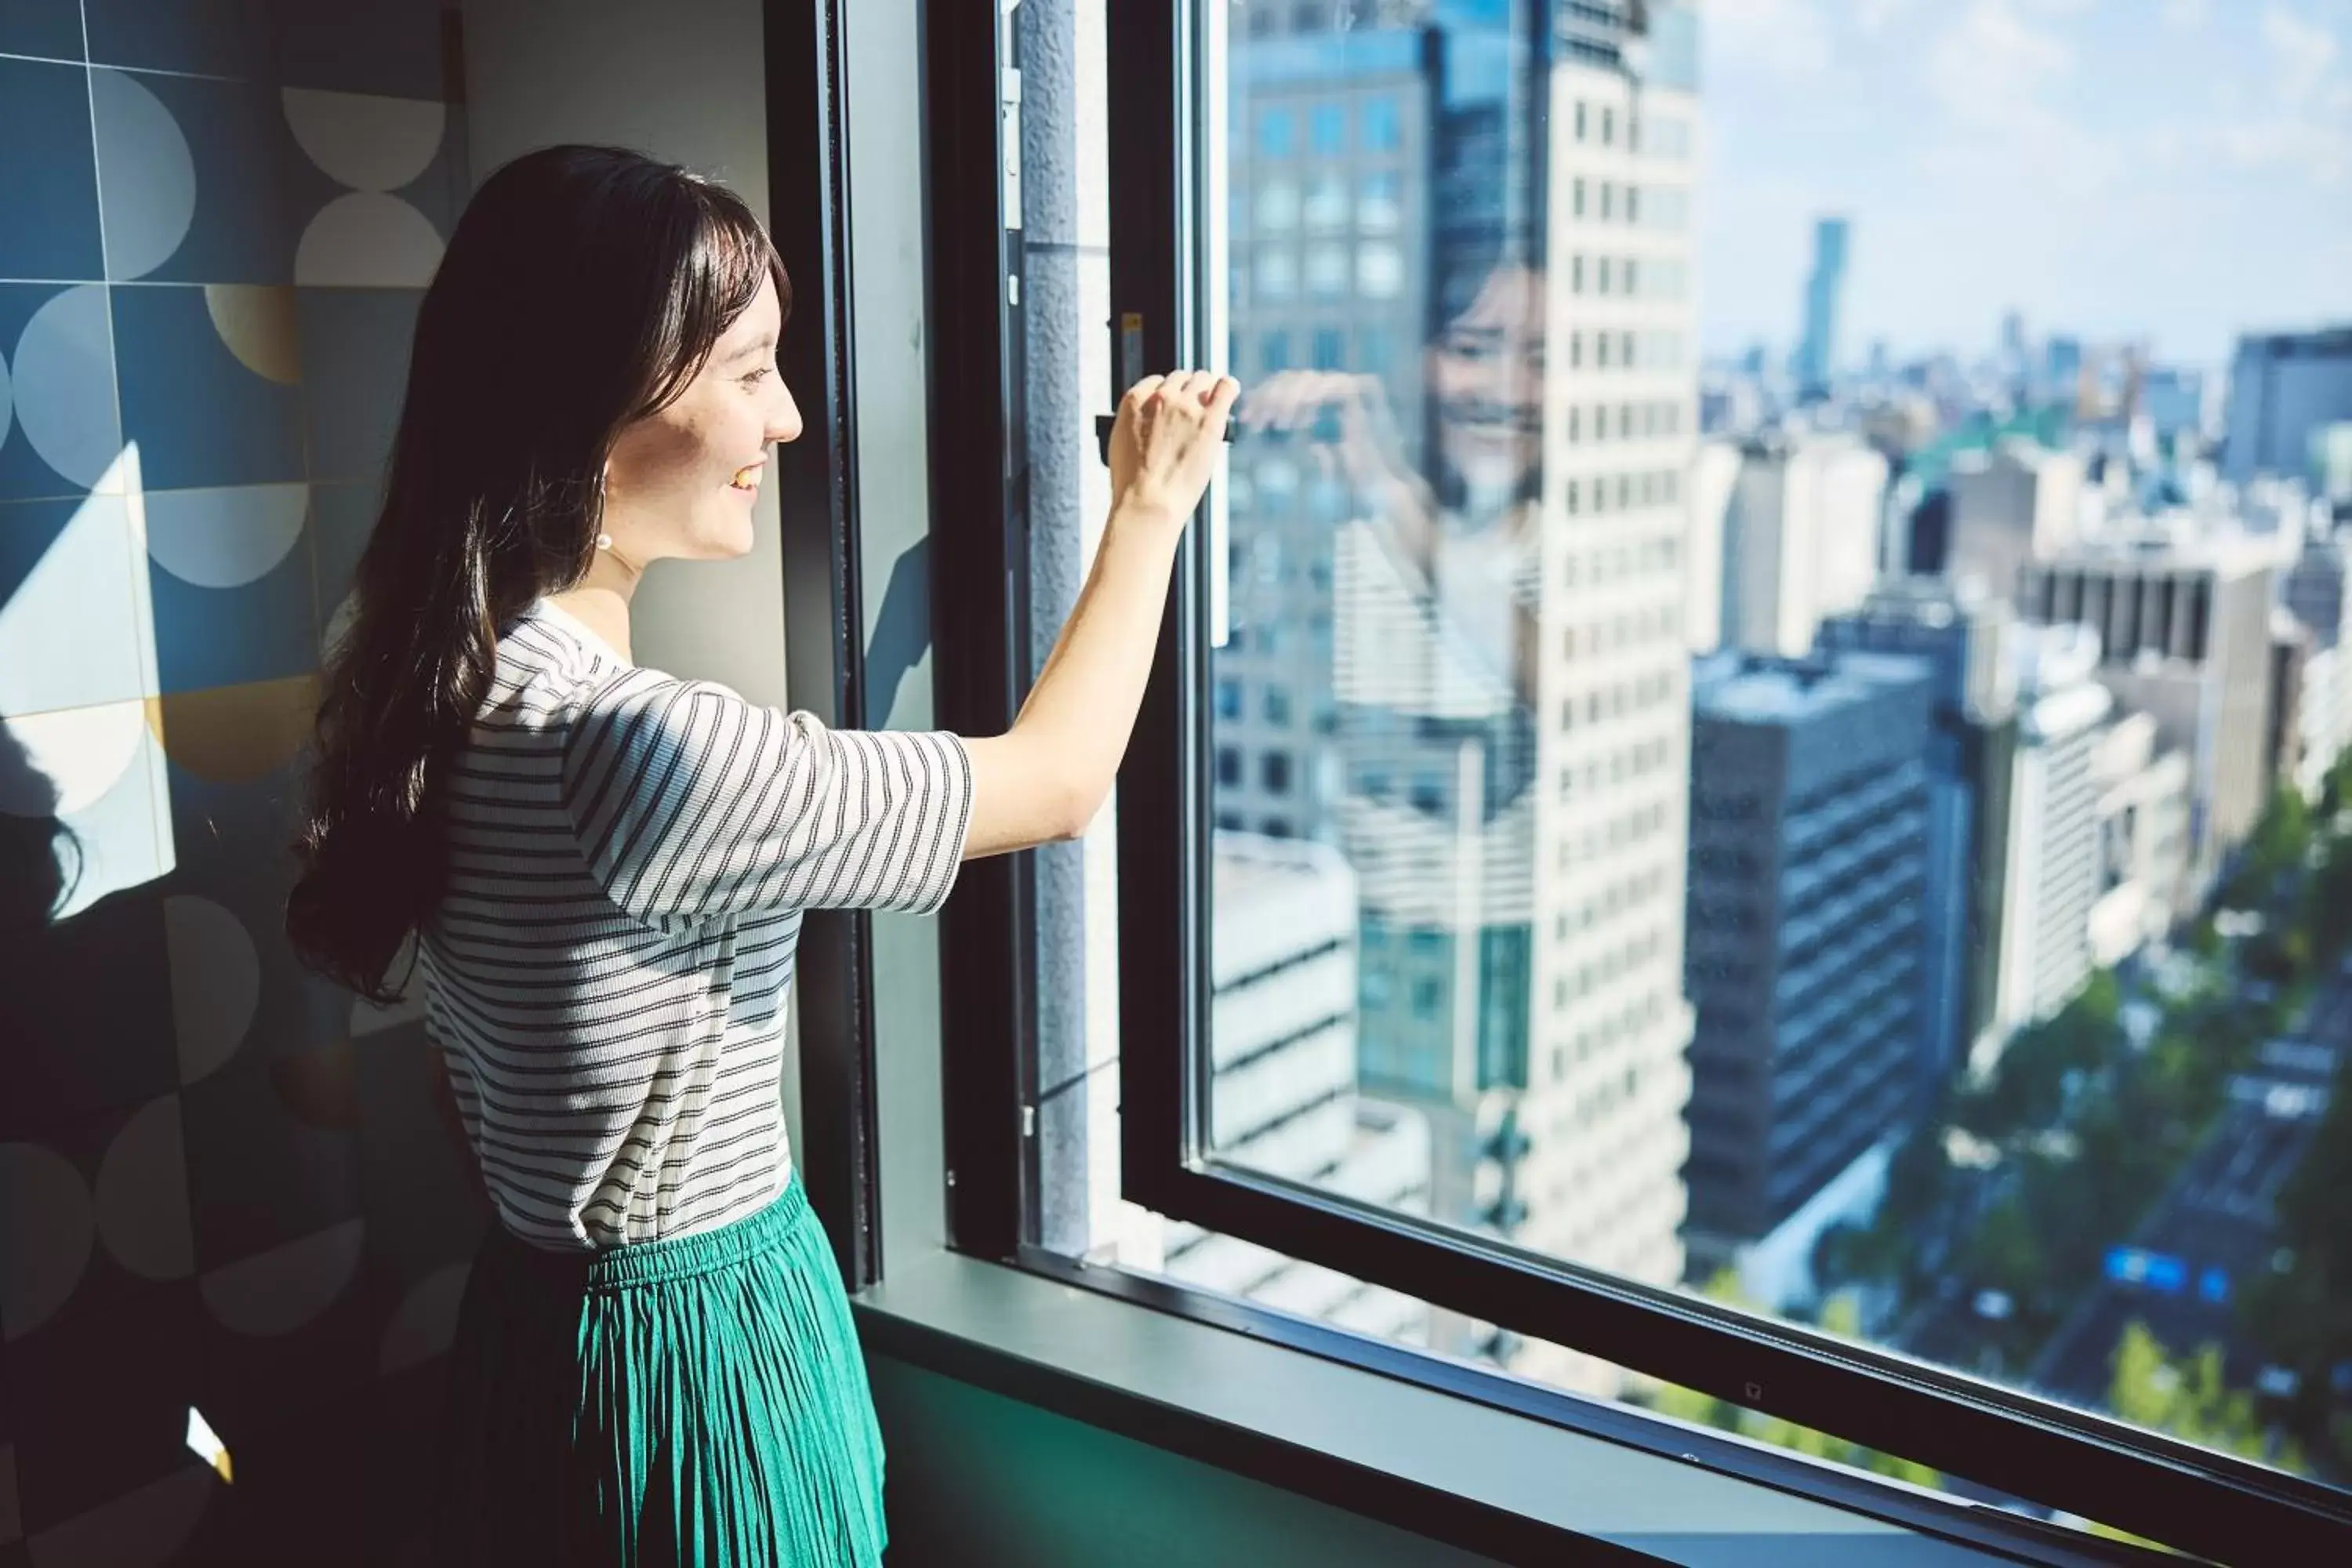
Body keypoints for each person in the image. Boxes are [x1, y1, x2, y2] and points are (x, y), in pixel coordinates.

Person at [282, 144, 1236, 1566]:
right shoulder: (639, 754)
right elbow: (1054, 784)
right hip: (704, 1358)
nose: (787, 420)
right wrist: (1148, 509)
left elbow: (466, 1071)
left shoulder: (440, 691)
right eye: (750, 371)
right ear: (592, 402)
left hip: (536, 1339)